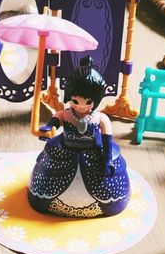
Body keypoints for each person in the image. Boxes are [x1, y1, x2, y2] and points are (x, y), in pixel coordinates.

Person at [28, 56, 130, 217]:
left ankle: (109, 205)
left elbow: (107, 141)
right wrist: (48, 128)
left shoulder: (100, 118)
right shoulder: (66, 114)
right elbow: (55, 121)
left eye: (88, 102)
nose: (81, 106)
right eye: (75, 101)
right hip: (65, 150)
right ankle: (45, 202)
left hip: (93, 152)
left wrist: (107, 160)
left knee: (106, 185)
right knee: (49, 179)